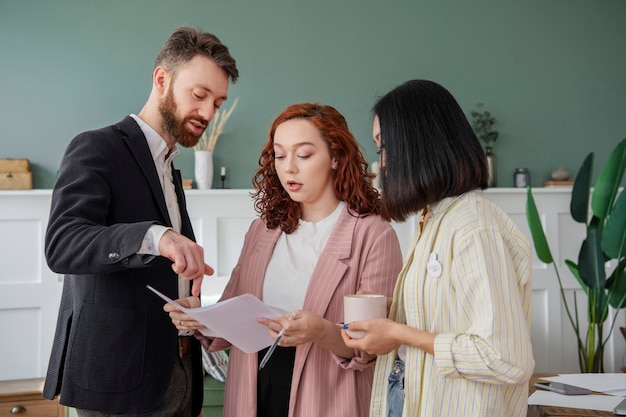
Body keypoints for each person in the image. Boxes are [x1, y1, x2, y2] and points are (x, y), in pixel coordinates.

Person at [42, 26, 238, 417]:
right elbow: (63, 244)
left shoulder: (168, 167)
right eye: (199, 95)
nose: (208, 113)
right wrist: (157, 237)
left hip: (177, 369)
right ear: (162, 79)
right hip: (119, 377)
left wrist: (192, 307)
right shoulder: (97, 146)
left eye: (217, 103)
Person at [166, 102, 403, 417]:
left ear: (335, 157)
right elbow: (232, 311)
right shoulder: (262, 230)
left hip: (327, 393)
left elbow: (372, 345)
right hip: (252, 383)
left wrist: (321, 331)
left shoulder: (373, 234)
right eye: (279, 155)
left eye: (304, 155)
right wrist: (202, 317)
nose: (289, 167)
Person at [341, 80, 534, 417]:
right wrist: (393, 310)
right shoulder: (432, 218)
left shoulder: (473, 226)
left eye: (385, 148)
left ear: (418, 144)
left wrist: (399, 333)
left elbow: (505, 358)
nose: (382, 164)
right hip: (408, 393)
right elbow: (450, 313)